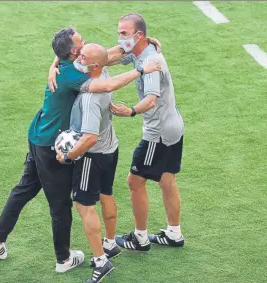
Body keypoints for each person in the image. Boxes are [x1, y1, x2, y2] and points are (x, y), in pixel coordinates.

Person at [0, 27, 161, 273]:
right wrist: (141, 69)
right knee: (60, 206)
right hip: (50, 147)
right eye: (81, 42)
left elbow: (101, 57)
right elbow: (107, 85)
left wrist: (137, 44)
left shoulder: (67, 66)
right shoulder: (73, 75)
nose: (85, 43)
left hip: (37, 135)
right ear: (76, 53)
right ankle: (63, 259)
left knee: (24, 189)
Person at [109, 13, 186, 251]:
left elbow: (151, 100)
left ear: (138, 35)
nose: (120, 38)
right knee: (166, 180)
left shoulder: (150, 62)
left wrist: (130, 111)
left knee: (135, 181)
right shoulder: (141, 51)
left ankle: (139, 238)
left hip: (158, 133)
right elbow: (106, 58)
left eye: (124, 33)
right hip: (174, 125)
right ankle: (174, 233)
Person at [56, 43, 125, 283]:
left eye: (83, 56)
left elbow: (89, 138)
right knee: (106, 193)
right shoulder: (103, 71)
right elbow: (112, 54)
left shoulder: (90, 99)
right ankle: (110, 243)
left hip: (92, 156)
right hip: (111, 148)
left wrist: (68, 155)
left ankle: (100, 260)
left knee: (85, 205)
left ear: (94, 66)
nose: (78, 56)